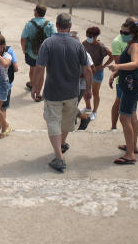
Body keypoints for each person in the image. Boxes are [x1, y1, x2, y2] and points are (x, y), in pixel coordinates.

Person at [30, 12, 93, 172]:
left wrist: (36, 87)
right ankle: (62, 144)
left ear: (56, 26)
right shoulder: (78, 45)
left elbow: (40, 68)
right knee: (66, 122)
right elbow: (87, 69)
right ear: (70, 26)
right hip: (72, 92)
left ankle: (59, 158)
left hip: (53, 93)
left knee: (53, 122)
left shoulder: (48, 43)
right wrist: (89, 89)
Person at [108, 19, 138, 165]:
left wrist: (117, 66)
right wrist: (115, 74)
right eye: (121, 32)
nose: (122, 34)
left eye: (125, 32)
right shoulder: (129, 45)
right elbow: (128, 66)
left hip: (131, 88)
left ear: (133, 34)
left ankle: (130, 155)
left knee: (124, 118)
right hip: (130, 86)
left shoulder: (134, 46)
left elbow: (134, 64)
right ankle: (132, 146)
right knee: (132, 116)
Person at [108, 17, 138, 131]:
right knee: (122, 106)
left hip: (132, 80)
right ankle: (114, 127)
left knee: (130, 112)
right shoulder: (118, 42)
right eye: (135, 24)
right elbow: (118, 62)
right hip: (124, 80)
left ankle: (131, 145)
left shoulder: (134, 42)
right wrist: (115, 73)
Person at [81, 26, 111, 124]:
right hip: (87, 71)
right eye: (87, 35)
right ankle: (88, 108)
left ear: (96, 36)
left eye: (90, 36)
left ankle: (94, 111)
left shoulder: (101, 46)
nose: (88, 37)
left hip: (97, 72)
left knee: (95, 92)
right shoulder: (84, 43)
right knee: (86, 90)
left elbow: (112, 56)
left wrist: (103, 66)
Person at [20, 4, 55, 90]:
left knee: (32, 69)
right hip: (44, 53)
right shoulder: (49, 24)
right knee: (41, 72)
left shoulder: (29, 24)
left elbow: (23, 39)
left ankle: (32, 85)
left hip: (31, 52)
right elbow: (54, 38)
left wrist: (24, 49)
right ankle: (38, 93)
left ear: (36, 12)